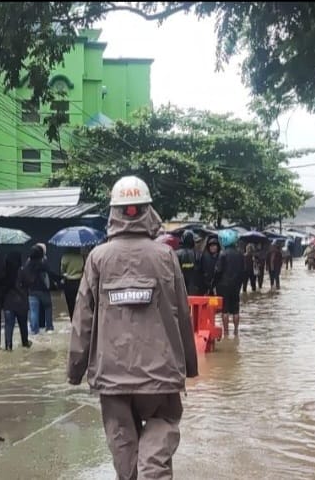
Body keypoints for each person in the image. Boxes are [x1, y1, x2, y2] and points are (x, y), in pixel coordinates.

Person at [68, 175, 198, 480]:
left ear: (115, 213)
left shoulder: (98, 258)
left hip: (112, 377)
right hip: (160, 375)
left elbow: (82, 320)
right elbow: (182, 314)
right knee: (157, 450)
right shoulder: (166, 256)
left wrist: (75, 370)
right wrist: (189, 367)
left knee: (124, 456)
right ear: (147, 211)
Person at [214, 229, 247, 335]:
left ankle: (226, 332)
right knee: (236, 309)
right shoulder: (240, 254)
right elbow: (243, 271)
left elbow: (218, 271)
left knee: (225, 310)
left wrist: (214, 284)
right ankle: (236, 331)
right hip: (236, 285)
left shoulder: (222, 254)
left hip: (224, 286)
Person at [3, 252, 32, 350]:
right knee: (23, 326)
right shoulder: (22, 271)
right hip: (21, 303)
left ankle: (8, 346)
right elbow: (29, 282)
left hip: (8, 304)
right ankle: (25, 343)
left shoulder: (5, 273)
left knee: (8, 326)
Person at [25, 243, 54, 334]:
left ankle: (34, 329)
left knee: (33, 311)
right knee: (48, 307)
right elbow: (48, 274)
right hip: (43, 290)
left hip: (32, 290)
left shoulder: (28, 262)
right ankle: (49, 327)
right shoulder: (43, 261)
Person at [175, 230, 204, 296]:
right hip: (195, 288)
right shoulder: (198, 254)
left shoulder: (176, 254)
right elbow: (201, 271)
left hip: (179, 287)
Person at [61, 247, 86, 320]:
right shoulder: (81, 257)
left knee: (70, 303)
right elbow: (84, 268)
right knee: (80, 302)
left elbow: (62, 270)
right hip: (79, 281)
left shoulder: (65, 257)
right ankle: (80, 319)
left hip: (69, 282)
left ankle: (73, 320)